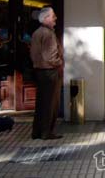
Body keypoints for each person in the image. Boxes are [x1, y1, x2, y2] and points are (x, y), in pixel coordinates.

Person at [30, 7, 63, 140]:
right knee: (50, 103)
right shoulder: (48, 34)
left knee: (41, 103)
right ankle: (46, 132)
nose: (55, 18)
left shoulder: (37, 32)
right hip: (49, 72)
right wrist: (59, 62)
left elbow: (33, 54)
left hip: (40, 71)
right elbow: (50, 56)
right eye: (53, 16)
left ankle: (37, 131)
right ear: (46, 19)